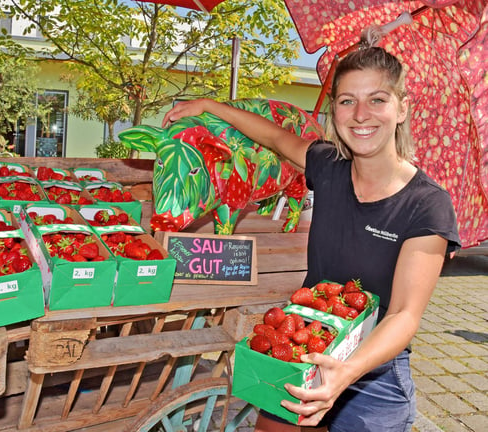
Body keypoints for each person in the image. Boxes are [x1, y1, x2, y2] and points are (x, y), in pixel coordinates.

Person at [162, 35, 461, 432]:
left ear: (402, 108)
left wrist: (345, 372)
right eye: (346, 100)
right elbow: (273, 137)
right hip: (305, 350)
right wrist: (212, 106)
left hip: (374, 374)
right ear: (334, 109)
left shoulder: (427, 204)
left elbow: (404, 314)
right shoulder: (328, 166)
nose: (360, 114)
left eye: (377, 99)